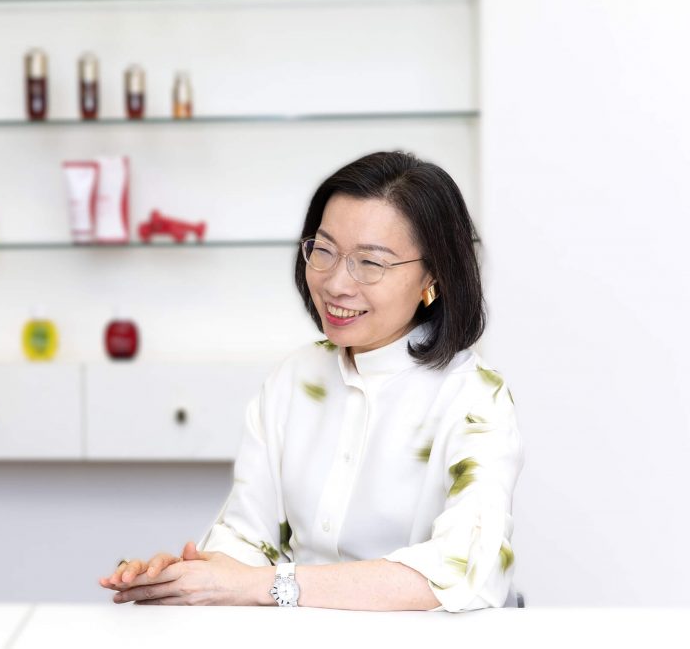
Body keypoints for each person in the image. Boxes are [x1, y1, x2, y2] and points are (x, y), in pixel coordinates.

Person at [98, 151, 524, 612]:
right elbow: (247, 538)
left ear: (433, 276)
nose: (336, 283)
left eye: (370, 262)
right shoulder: (294, 378)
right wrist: (190, 577)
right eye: (323, 251)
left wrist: (267, 585)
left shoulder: (474, 398)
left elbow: (465, 573)